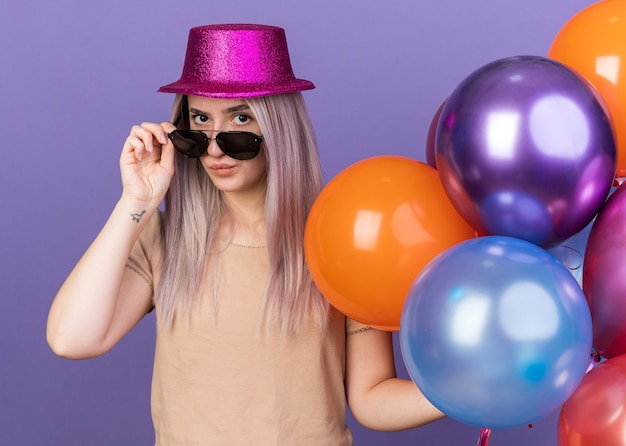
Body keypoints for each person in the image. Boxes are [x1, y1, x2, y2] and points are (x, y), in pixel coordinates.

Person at [46, 23, 444, 445]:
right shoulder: (164, 241)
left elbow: (371, 398)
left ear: (279, 129)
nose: (215, 148)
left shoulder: (341, 241)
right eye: (199, 121)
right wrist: (135, 203)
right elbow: (71, 338)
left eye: (239, 119)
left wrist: (469, 393)